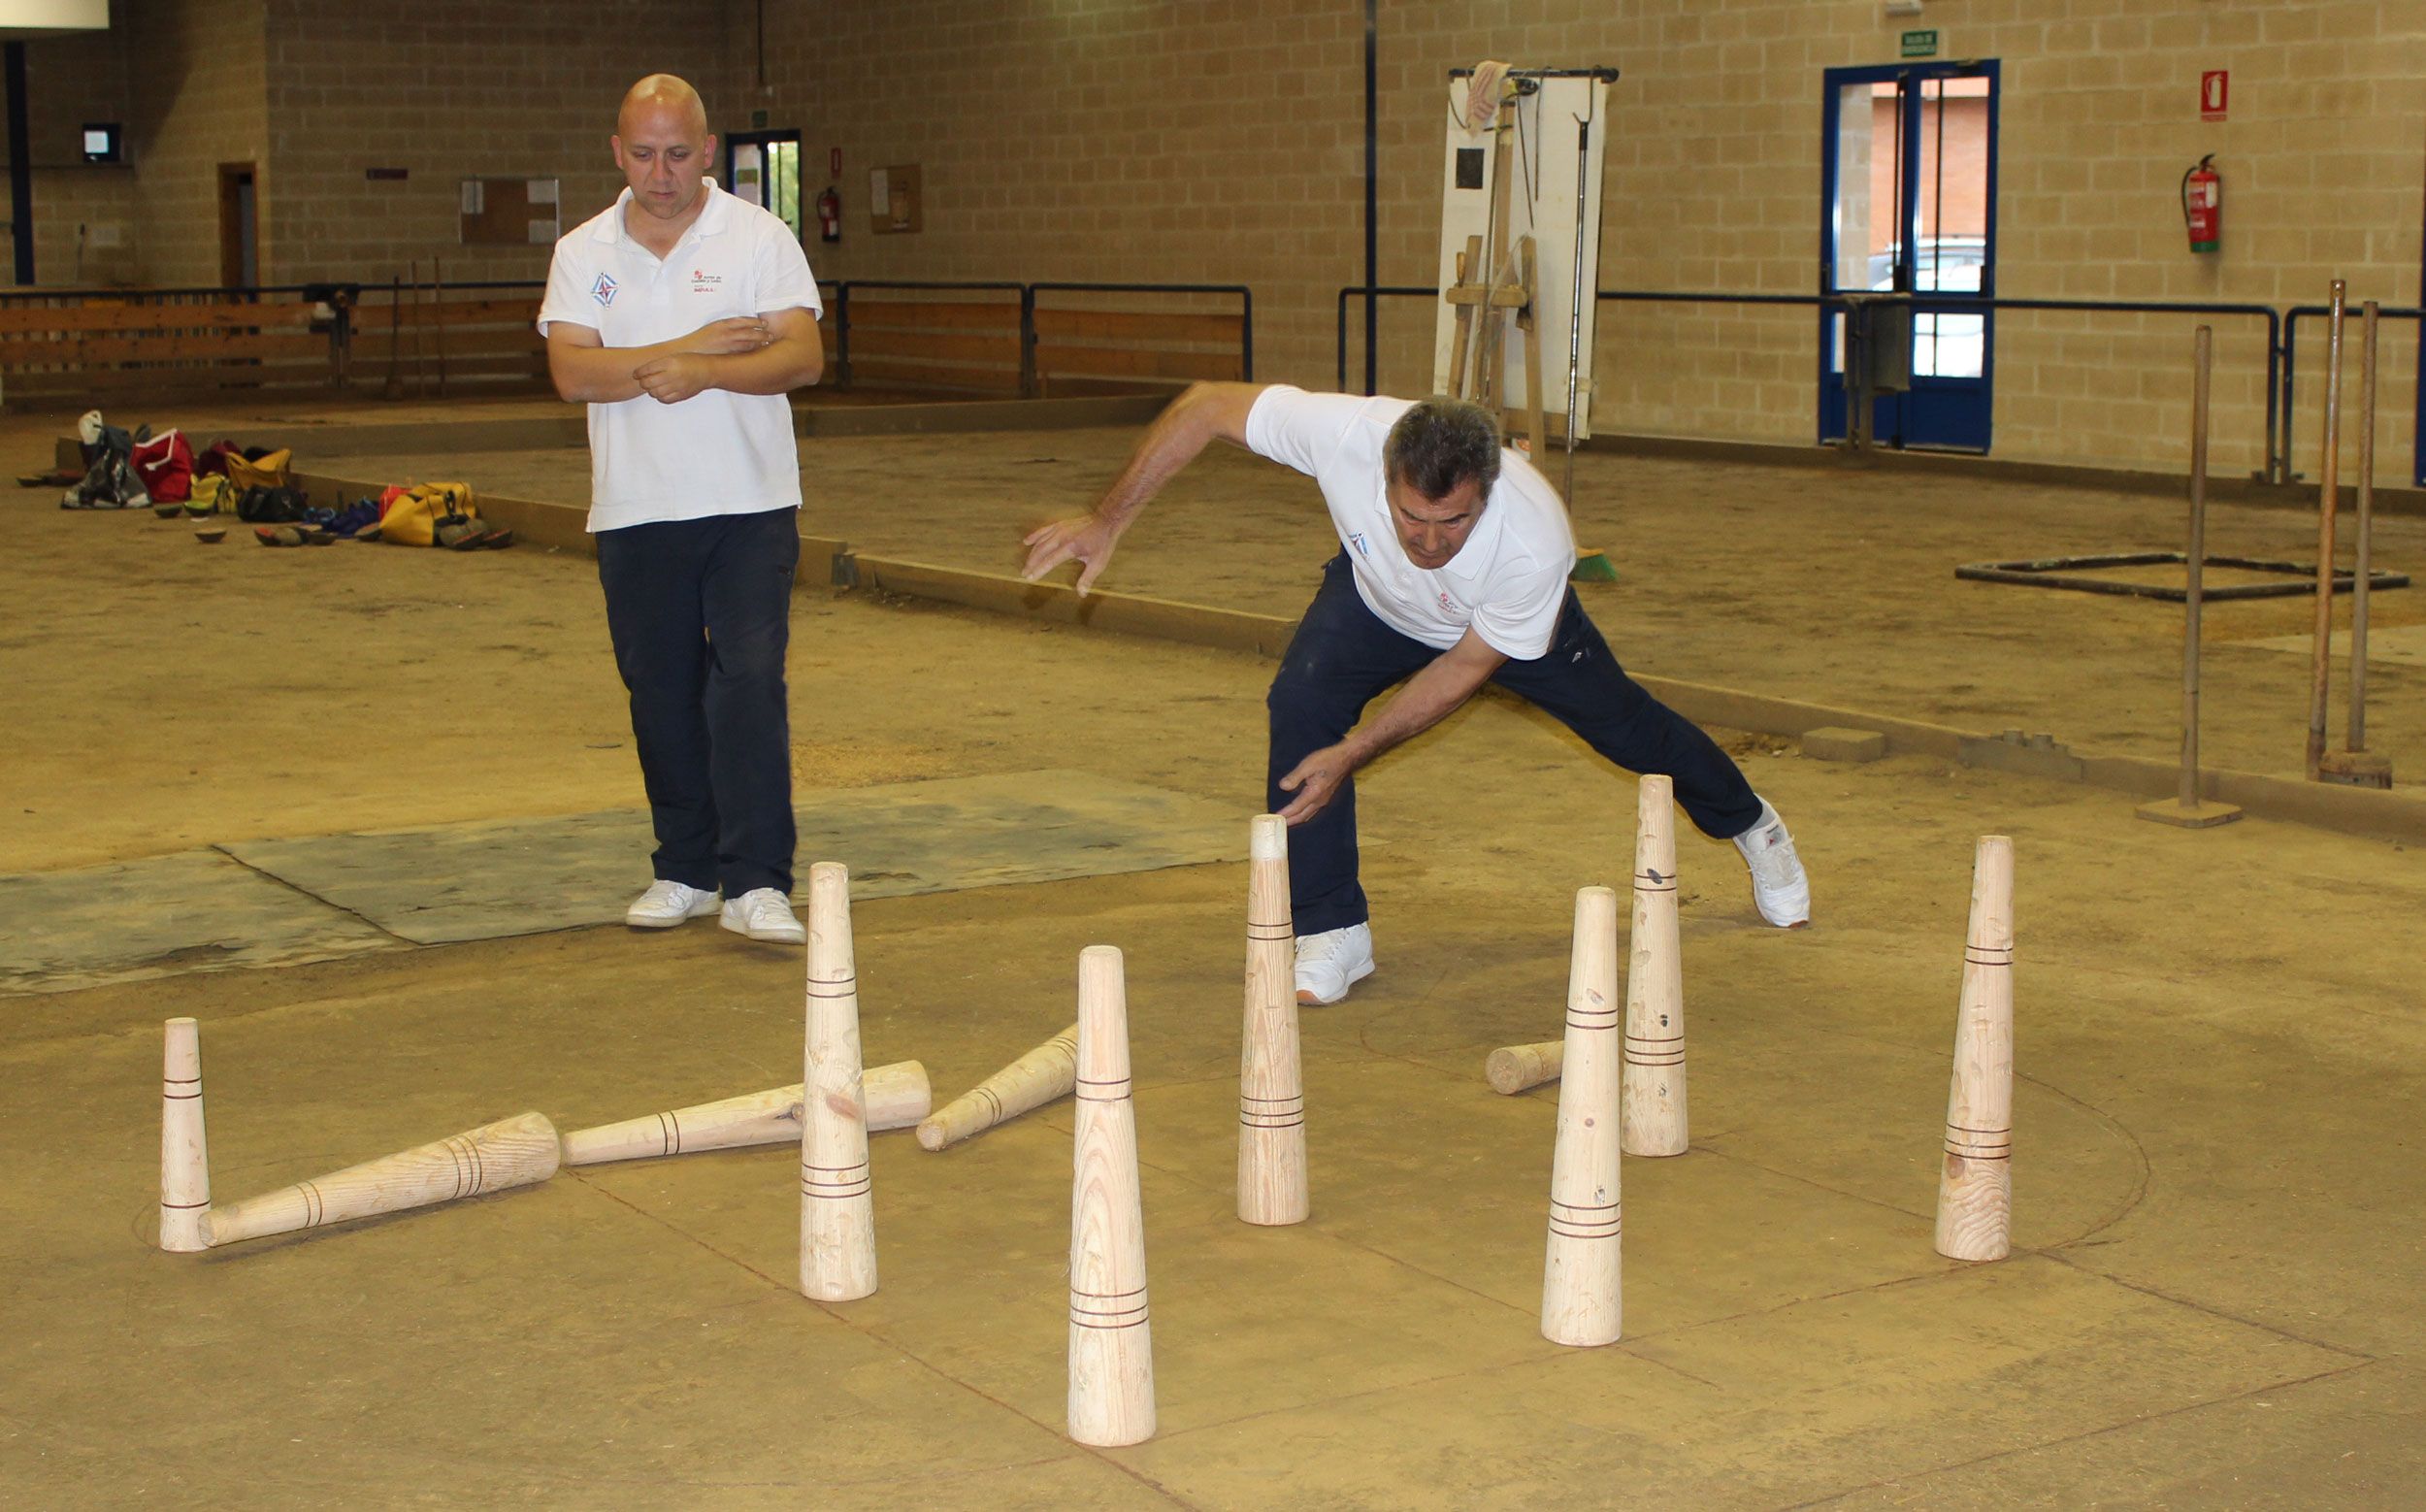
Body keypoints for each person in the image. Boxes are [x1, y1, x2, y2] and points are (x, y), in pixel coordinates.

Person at [1022, 383, 1809, 1005]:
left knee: (1630, 731)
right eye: (1412, 517)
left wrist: (1356, 753)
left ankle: (1753, 825)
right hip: (1373, 602)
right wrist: (1105, 517)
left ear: (1488, 491)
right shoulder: (1344, 435)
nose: (1431, 541)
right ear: (1384, 476)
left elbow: (1465, 670)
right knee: (1299, 707)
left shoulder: (1533, 538)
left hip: (1488, 630)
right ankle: (1332, 927)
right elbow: (1203, 408)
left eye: (1453, 522)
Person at [538, 75, 825, 945]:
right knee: (660, 692)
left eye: (678, 153)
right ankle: (685, 869)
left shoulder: (758, 237)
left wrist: (700, 374)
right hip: (635, 509)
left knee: (747, 686)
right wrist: (697, 342)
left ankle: (756, 880)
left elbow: (802, 356)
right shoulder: (583, 253)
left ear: (706, 150)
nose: (662, 173)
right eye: (643, 153)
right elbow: (572, 375)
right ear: (617, 152)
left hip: (749, 504)